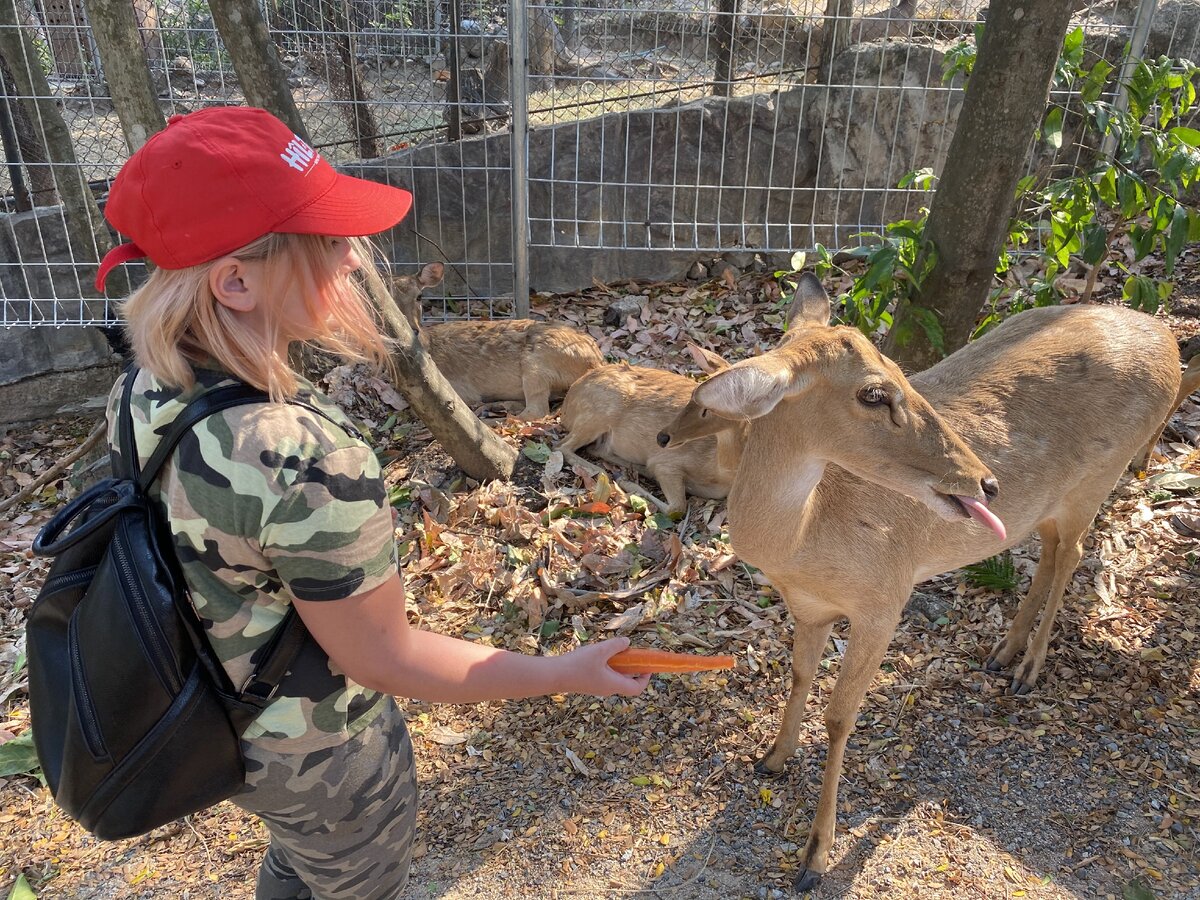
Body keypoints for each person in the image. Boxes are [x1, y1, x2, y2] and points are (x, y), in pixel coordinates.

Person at [94, 106, 650, 900]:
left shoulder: (144, 387)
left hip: (216, 713)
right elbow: (384, 657)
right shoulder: (303, 453)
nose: (353, 260)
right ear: (237, 281)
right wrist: (565, 669)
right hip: (320, 756)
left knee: (298, 861)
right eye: (326, 241)